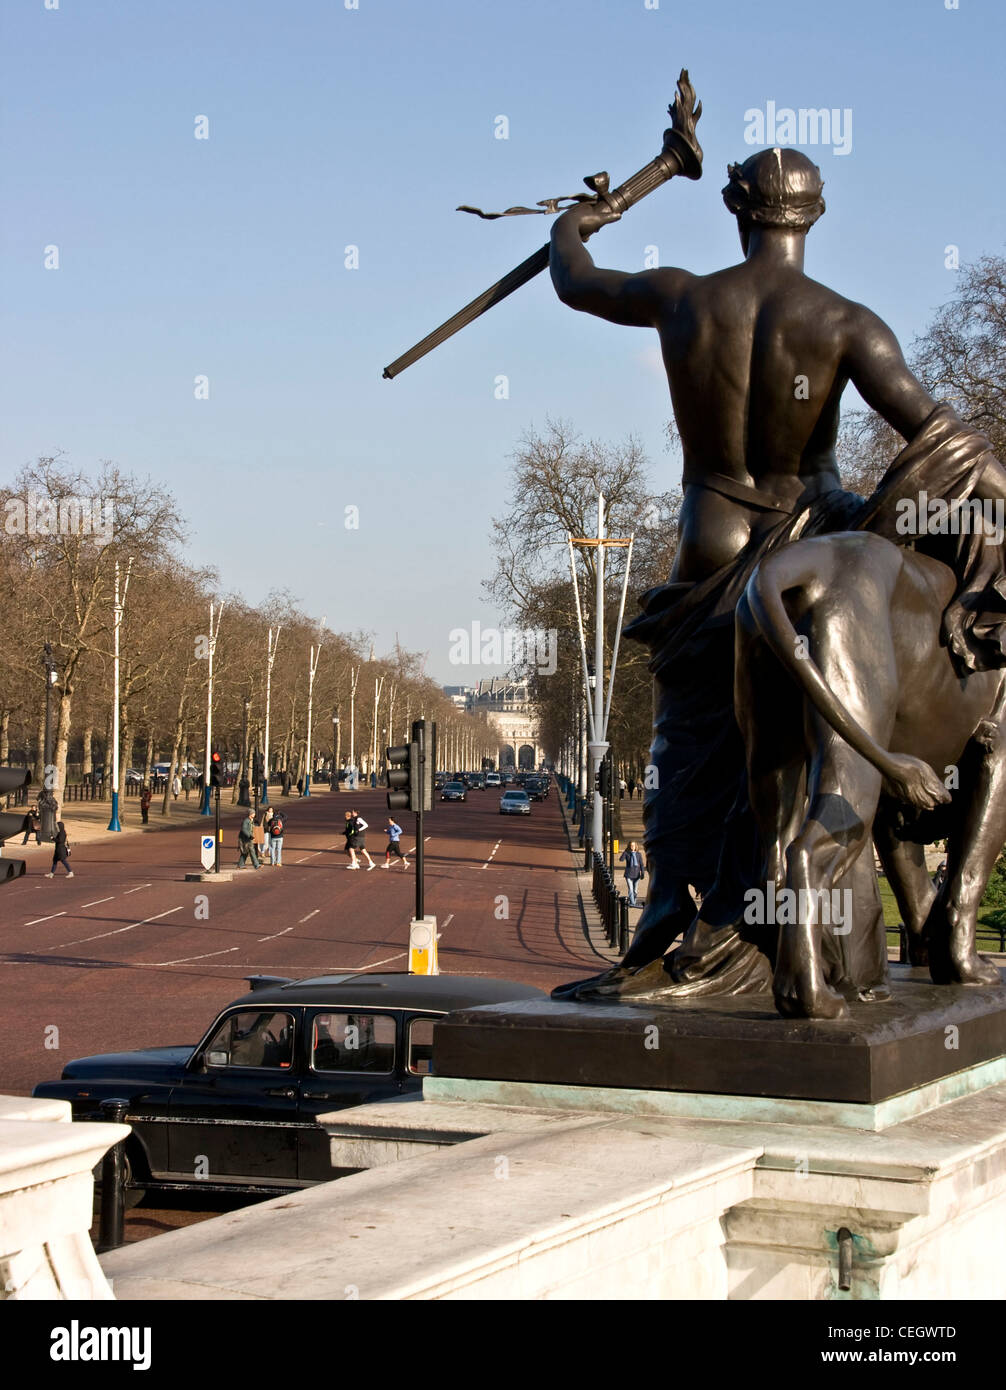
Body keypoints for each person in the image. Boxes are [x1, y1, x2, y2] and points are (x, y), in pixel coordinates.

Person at [550, 138, 1006, 996]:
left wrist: (587, 216)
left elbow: (576, 278)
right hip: (808, 536)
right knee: (803, 745)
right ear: (817, 215)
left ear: (735, 208)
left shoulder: (682, 298)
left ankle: (668, 922)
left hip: (709, 541)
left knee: (688, 749)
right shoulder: (846, 324)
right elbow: (944, 438)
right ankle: (803, 935)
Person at [619, 841, 646, 907]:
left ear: (636, 846)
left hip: (637, 875)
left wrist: (642, 873)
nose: (632, 847)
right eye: (631, 845)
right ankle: (632, 903)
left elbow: (642, 865)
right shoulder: (627, 853)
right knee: (630, 889)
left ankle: (633, 900)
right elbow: (621, 859)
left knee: (635, 891)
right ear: (629, 846)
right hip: (628, 875)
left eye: (633, 845)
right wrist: (624, 852)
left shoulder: (638, 854)